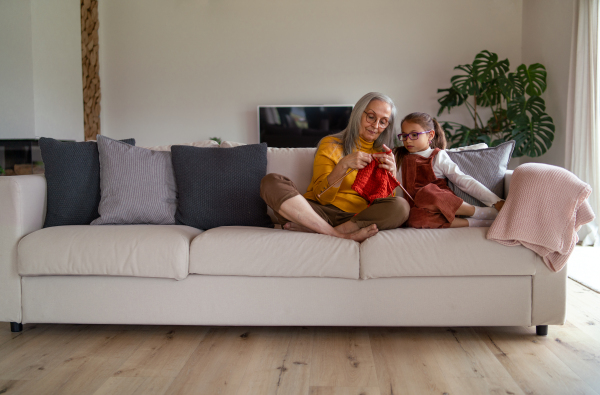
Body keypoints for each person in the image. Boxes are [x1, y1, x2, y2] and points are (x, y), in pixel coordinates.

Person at [260, 92, 410, 242]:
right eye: (371, 117)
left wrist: (392, 175)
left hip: (358, 218)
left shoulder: (383, 155)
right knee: (270, 182)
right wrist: (343, 166)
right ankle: (335, 234)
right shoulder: (330, 144)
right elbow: (321, 197)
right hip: (317, 212)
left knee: (402, 206)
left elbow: (382, 205)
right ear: (357, 114)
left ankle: (324, 230)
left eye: (383, 121)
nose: (376, 126)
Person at [393, 112, 505, 228]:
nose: (408, 140)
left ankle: (480, 212)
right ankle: (478, 223)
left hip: (442, 204)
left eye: (414, 135)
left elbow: (463, 180)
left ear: (430, 135)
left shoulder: (438, 156)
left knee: (425, 193)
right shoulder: (400, 157)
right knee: (414, 219)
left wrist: (495, 200)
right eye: (404, 136)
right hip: (420, 209)